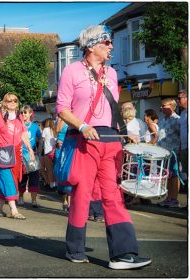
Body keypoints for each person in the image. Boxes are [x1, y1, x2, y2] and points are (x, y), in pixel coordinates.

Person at [56, 25, 151, 269]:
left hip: (109, 140)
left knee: (113, 195)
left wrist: (125, 135)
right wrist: (83, 125)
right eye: (107, 42)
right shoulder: (72, 70)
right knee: (83, 194)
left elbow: (110, 110)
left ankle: (123, 254)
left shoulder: (111, 73)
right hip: (83, 139)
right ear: (91, 46)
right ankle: (74, 248)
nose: (111, 46)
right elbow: (62, 108)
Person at [0, 92, 35, 220]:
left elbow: (23, 134)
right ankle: (14, 210)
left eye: (15, 100)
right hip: (3, 153)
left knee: (11, 180)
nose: (12, 102)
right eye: (9, 101)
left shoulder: (20, 117)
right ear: (4, 102)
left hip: (16, 153)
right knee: (8, 180)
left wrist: (30, 149)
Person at [157, 98, 181, 208]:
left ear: (172, 106)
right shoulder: (163, 119)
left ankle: (174, 199)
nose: (161, 108)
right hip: (163, 153)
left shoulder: (177, 120)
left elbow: (182, 135)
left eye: (163, 106)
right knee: (168, 175)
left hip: (173, 152)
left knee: (174, 175)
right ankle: (168, 197)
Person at [18, 105, 42, 208]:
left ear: (30, 113)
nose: (23, 114)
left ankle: (33, 200)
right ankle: (20, 197)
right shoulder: (18, 125)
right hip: (21, 155)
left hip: (32, 156)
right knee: (22, 178)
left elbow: (41, 138)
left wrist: (39, 150)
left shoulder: (35, 126)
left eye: (25, 112)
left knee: (34, 178)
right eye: (22, 112)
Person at [54, 118, 72, 211]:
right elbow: (56, 130)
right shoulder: (61, 119)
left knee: (69, 173)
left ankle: (69, 203)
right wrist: (62, 119)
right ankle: (64, 200)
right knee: (61, 173)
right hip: (61, 149)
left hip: (70, 148)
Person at [41, 118, 57, 190]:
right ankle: (56, 184)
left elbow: (43, 139)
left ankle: (51, 185)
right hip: (54, 151)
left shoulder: (45, 129)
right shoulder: (55, 130)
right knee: (54, 169)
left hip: (47, 151)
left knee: (49, 170)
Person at [177, 90, 188, 192]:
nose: (178, 100)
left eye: (179, 98)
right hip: (184, 148)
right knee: (186, 174)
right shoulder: (183, 113)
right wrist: (180, 148)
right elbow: (181, 132)